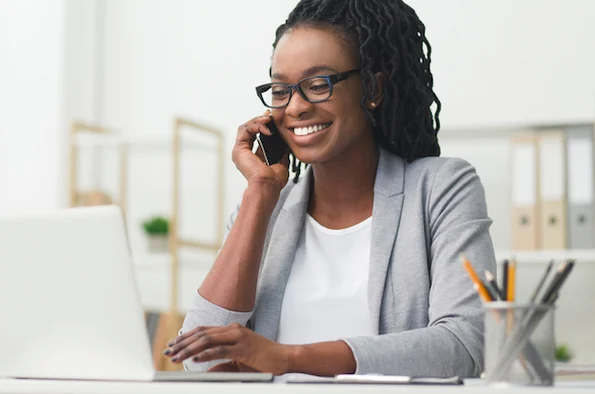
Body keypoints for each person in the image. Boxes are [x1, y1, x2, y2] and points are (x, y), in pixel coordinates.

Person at [164, 0, 496, 378]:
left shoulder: (441, 189)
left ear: (372, 87)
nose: (295, 107)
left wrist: (288, 357)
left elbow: (466, 343)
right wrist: (260, 192)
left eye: (317, 85)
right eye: (280, 89)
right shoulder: (264, 210)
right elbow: (198, 359)